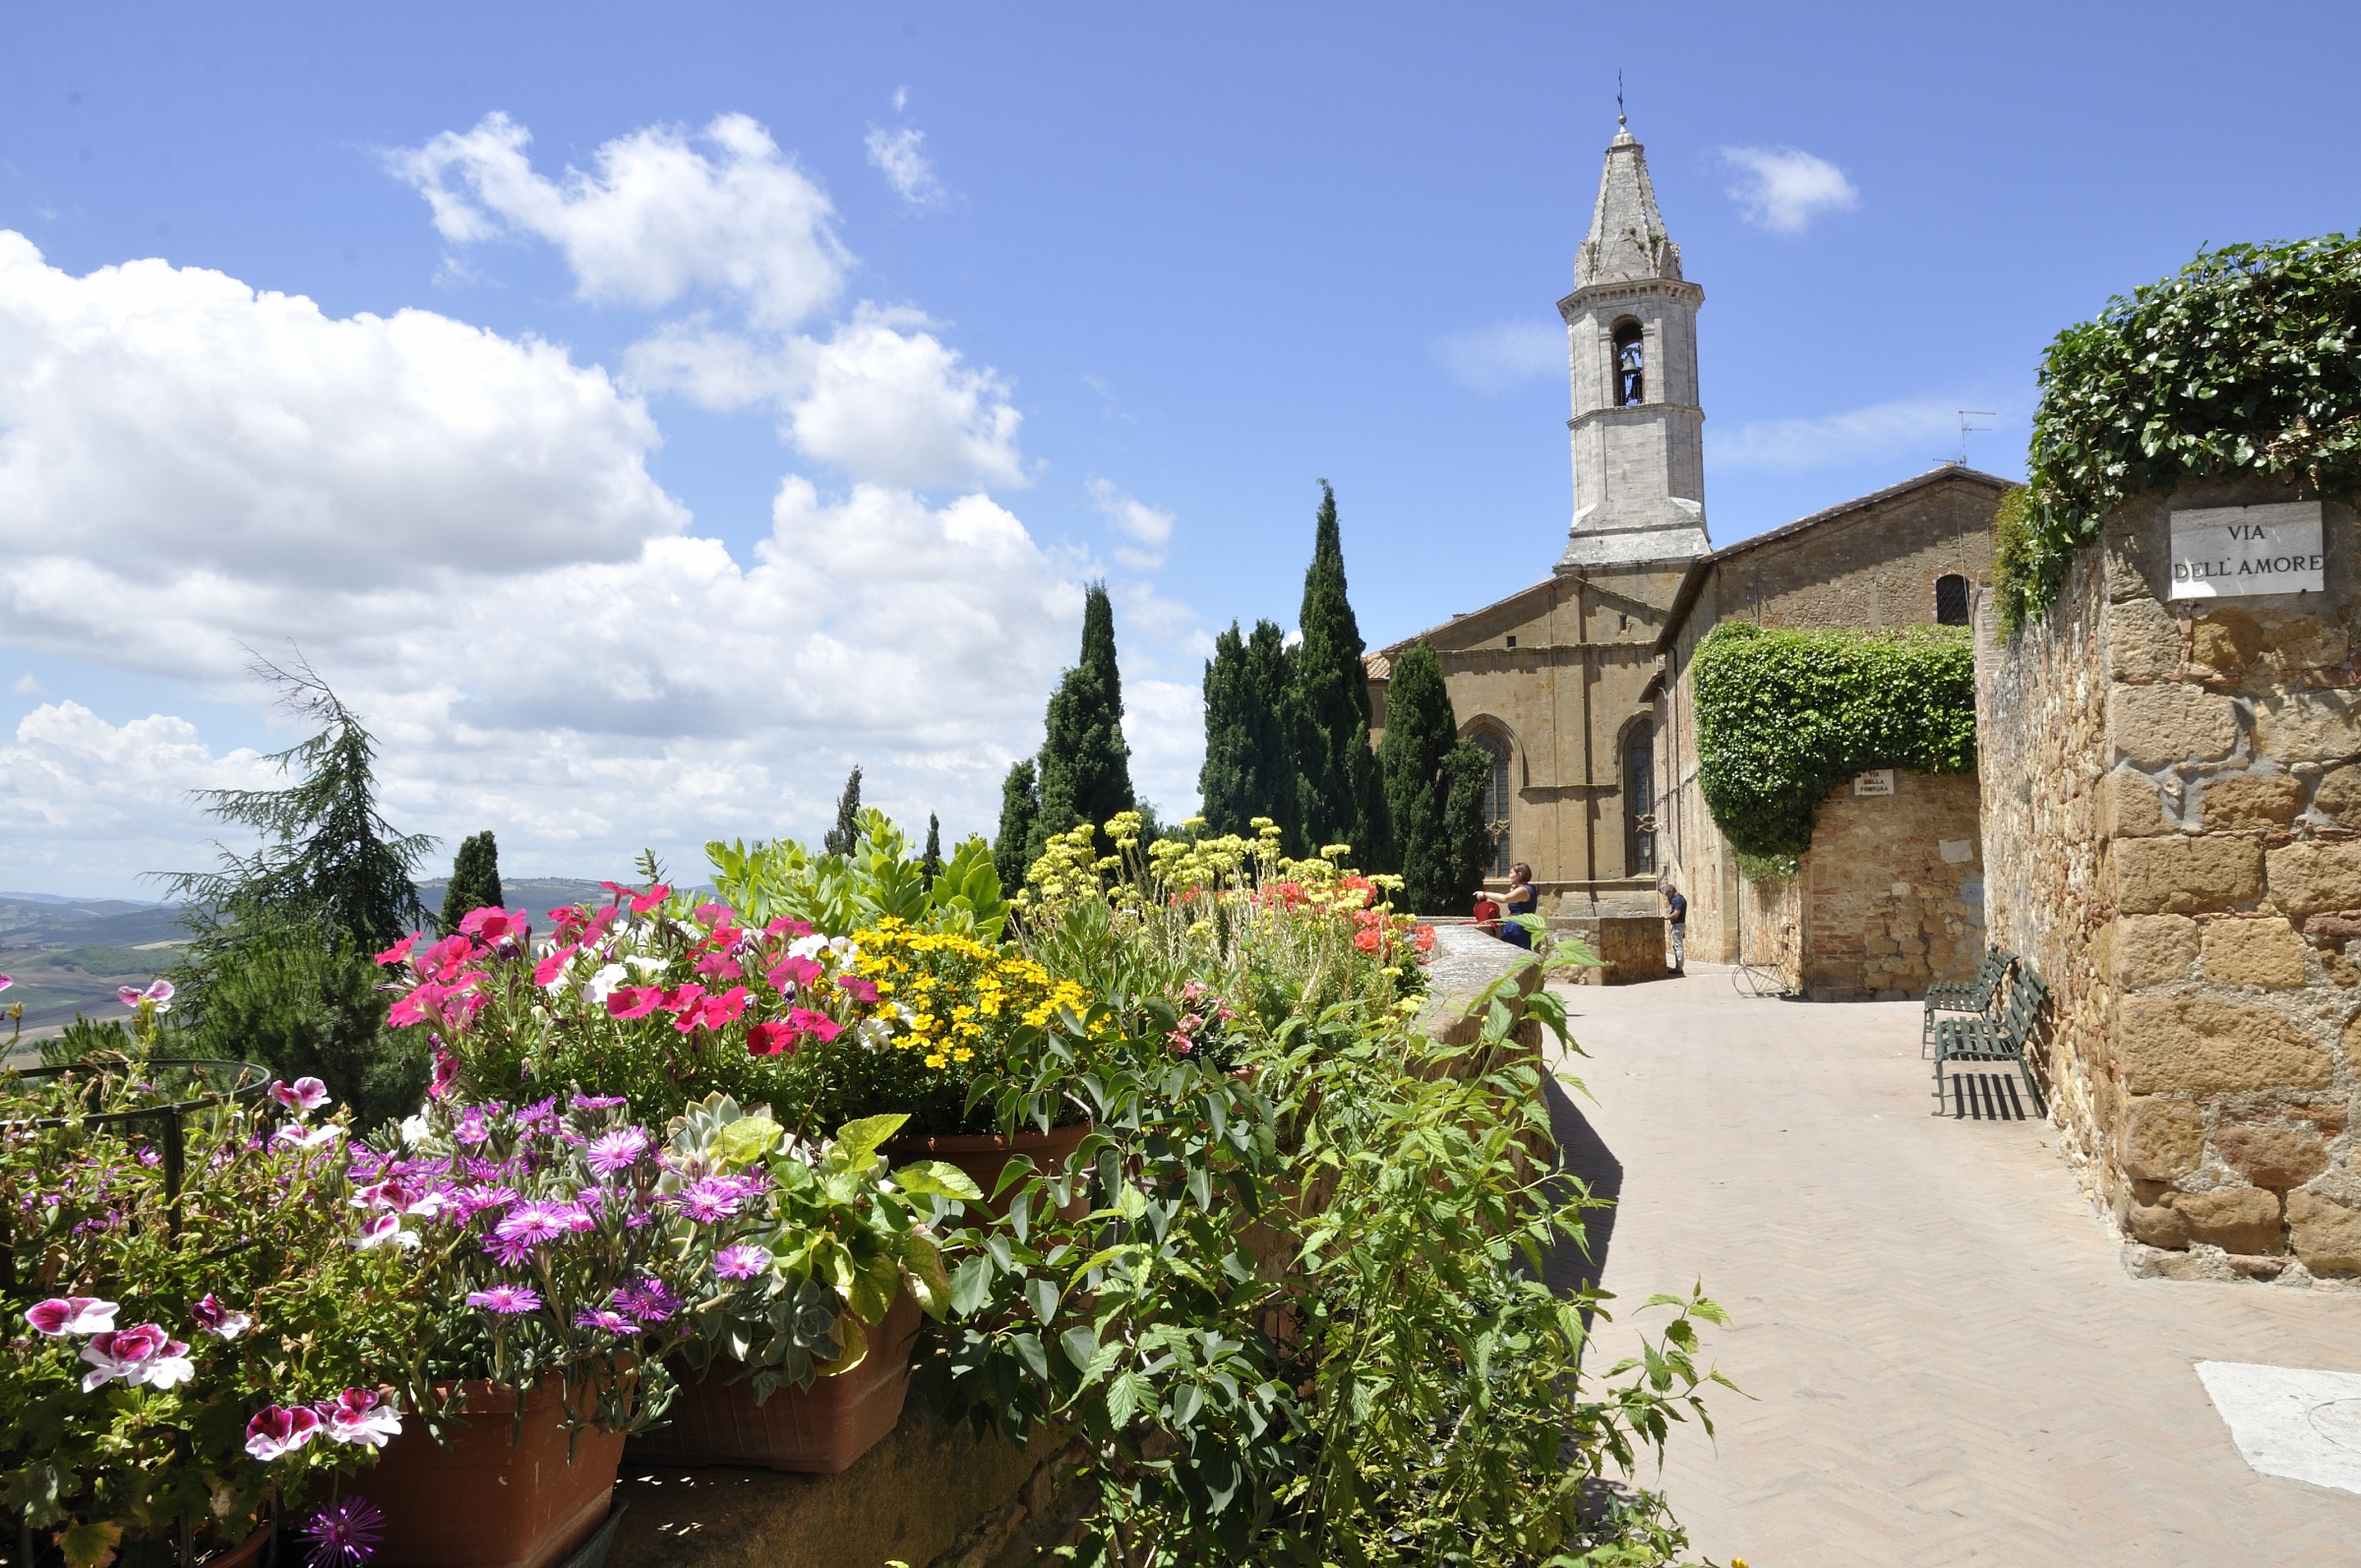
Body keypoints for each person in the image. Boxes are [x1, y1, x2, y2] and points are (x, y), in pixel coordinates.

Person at [1499, 862, 1539, 950]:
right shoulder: (1527, 888)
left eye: (1511, 873)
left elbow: (1504, 899)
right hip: (1520, 925)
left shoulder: (1524, 890)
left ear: (1519, 874)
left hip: (1518, 927)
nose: (1509, 875)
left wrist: (1485, 894)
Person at [1665, 881, 1688, 973]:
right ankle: (1678, 967)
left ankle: (1679, 968)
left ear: (1672, 891)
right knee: (1677, 946)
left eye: (1668, 893)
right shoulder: (1679, 898)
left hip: (1678, 925)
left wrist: (1666, 918)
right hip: (1680, 925)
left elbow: (1676, 913)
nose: (1667, 896)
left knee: (1678, 946)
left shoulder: (1677, 899)